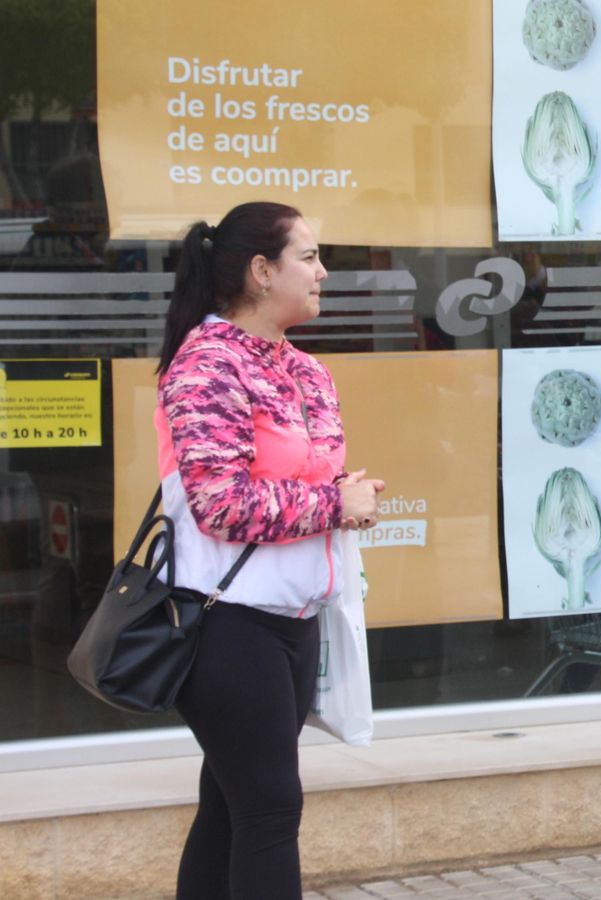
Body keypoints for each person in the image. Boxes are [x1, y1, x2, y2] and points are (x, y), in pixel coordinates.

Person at [156, 201, 384, 899]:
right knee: (269, 811)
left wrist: (343, 494)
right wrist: (333, 505)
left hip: (293, 620)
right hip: (227, 621)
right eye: (309, 257)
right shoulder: (207, 365)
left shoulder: (308, 371)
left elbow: (290, 481)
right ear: (261, 272)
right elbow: (221, 502)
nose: (323, 272)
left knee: (231, 807)